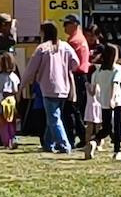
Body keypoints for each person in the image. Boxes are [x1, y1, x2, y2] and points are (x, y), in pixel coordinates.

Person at [21, 21, 80, 154]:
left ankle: (65, 145)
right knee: (53, 117)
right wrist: (66, 68)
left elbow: (31, 69)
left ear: (43, 32)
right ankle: (48, 144)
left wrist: (22, 84)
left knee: (54, 118)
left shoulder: (42, 48)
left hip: (48, 87)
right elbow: (76, 63)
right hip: (64, 87)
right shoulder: (65, 46)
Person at [90, 44, 121, 160]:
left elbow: (93, 89)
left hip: (103, 101)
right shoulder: (117, 69)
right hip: (116, 101)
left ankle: (94, 141)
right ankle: (117, 152)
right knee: (117, 127)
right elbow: (115, 85)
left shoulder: (98, 71)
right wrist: (113, 99)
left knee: (106, 128)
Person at [63, 15, 92, 148]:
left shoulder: (74, 41)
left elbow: (68, 61)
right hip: (82, 76)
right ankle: (83, 136)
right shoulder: (81, 38)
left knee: (72, 108)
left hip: (76, 76)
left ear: (74, 24)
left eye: (66, 24)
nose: (64, 27)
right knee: (77, 108)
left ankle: (74, 136)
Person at [0, 52, 21, 149]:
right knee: (11, 121)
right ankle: (12, 139)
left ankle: (5, 141)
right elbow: (16, 90)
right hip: (11, 100)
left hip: (1, 100)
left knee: (1, 123)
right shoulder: (15, 77)